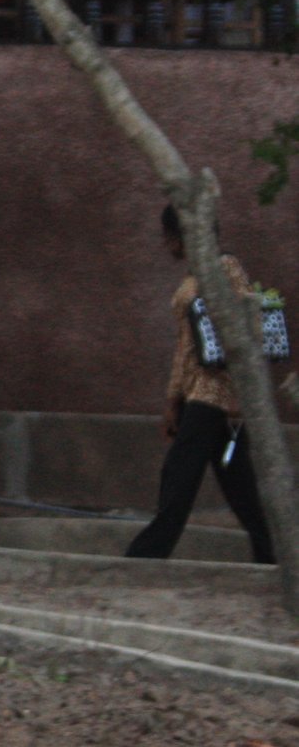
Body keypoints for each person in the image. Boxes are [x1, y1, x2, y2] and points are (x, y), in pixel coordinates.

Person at [126, 204, 277, 563]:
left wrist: (241, 392)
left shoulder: (225, 268)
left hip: (215, 396)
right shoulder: (196, 277)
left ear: (183, 235)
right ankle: (275, 561)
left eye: (168, 237)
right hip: (200, 395)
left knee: (178, 479)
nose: (166, 246)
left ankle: (142, 561)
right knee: (240, 489)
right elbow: (186, 348)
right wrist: (172, 400)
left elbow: (249, 328)